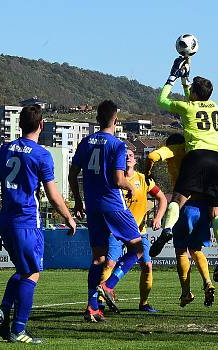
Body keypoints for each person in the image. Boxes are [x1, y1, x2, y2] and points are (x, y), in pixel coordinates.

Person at [0, 104, 76, 344]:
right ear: (41, 125)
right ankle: (19, 329)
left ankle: (4, 310)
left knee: (23, 271)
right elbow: (53, 196)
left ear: (20, 125)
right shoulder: (42, 155)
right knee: (32, 274)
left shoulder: (5, 150)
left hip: (5, 220)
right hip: (26, 222)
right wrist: (69, 217)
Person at [150, 59, 218, 282]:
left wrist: (173, 77)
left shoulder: (187, 107)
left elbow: (162, 99)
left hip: (197, 156)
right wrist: (188, 80)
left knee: (177, 199)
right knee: (217, 212)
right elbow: (195, 97)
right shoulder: (214, 105)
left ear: (193, 94)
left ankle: (167, 229)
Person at [69, 100, 141, 321]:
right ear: (116, 120)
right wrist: (131, 187)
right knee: (138, 249)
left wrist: (78, 202)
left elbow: (72, 175)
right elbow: (119, 180)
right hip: (113, 204)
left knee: (98, 259)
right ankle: (109, 286)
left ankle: (92, 308)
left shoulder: (86, 142)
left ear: (97, 118)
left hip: (93, 206)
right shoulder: (117, 145)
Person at [102, 148, 167, 313]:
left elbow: (162, 199)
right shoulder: (114, 179)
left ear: (135, 160)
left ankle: (144, 303)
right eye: (124, 155)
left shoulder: (143, 179)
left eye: (131, 155)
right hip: (115, 230)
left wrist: (158, 217)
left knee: (147, 266)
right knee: (109, 263)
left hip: (139, 231)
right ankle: (101, 300)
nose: (128, 157)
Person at [172, 197, 216, 308]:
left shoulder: (182, 178)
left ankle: (186, 293)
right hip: (203, 210)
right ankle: (208, 282)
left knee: (181, 252)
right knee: (196, 250)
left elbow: (179, 192)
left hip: (184, 207)